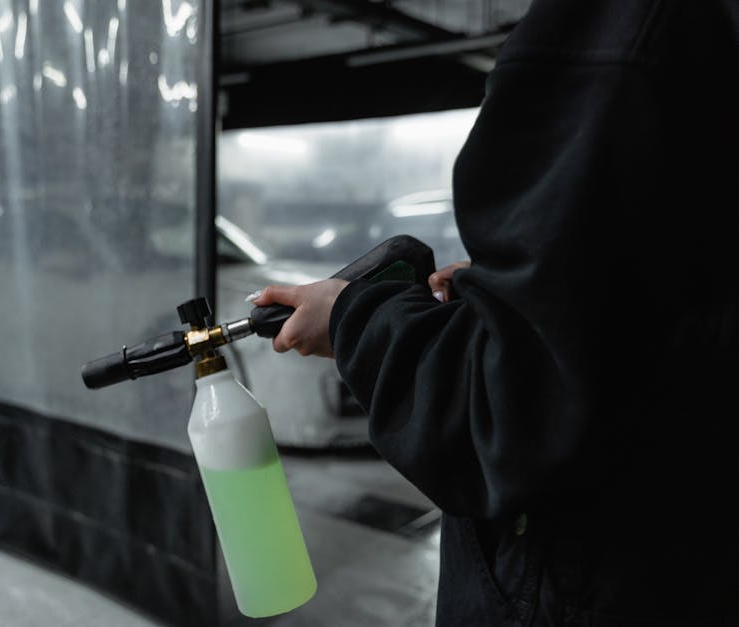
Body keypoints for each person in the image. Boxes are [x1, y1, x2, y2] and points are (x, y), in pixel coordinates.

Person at [250, 0, 739, 624]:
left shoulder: (622, 25)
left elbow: (501, 415)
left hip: (603, 576)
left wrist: (353, 316)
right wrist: (507, 299)